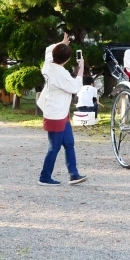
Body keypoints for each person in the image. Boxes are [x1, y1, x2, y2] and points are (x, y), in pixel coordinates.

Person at [36, 33, 87, 186]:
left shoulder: (48, 64)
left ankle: (74, 174)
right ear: (66, 60)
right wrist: (81, 68)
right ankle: (44, 177)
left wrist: (62, 42)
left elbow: (48, 50)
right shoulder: (61, 73)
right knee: (54, 147)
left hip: (59, 112)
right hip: (56, 113)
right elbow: (76, 87)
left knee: (69, 143)